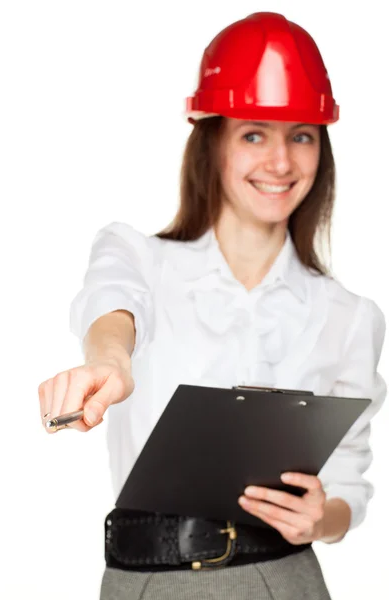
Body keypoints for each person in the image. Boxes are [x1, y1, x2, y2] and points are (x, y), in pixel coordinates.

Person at [38, 11, 386, 600]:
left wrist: (321, 518)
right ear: (211, 141)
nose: (281, 163)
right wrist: (112, 363)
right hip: (149, 581)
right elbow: (112, 305)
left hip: (286, 579)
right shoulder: (138, 256)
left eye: (301, 134)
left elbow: (349, 480)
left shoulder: (350, 316)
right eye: (254, 133)